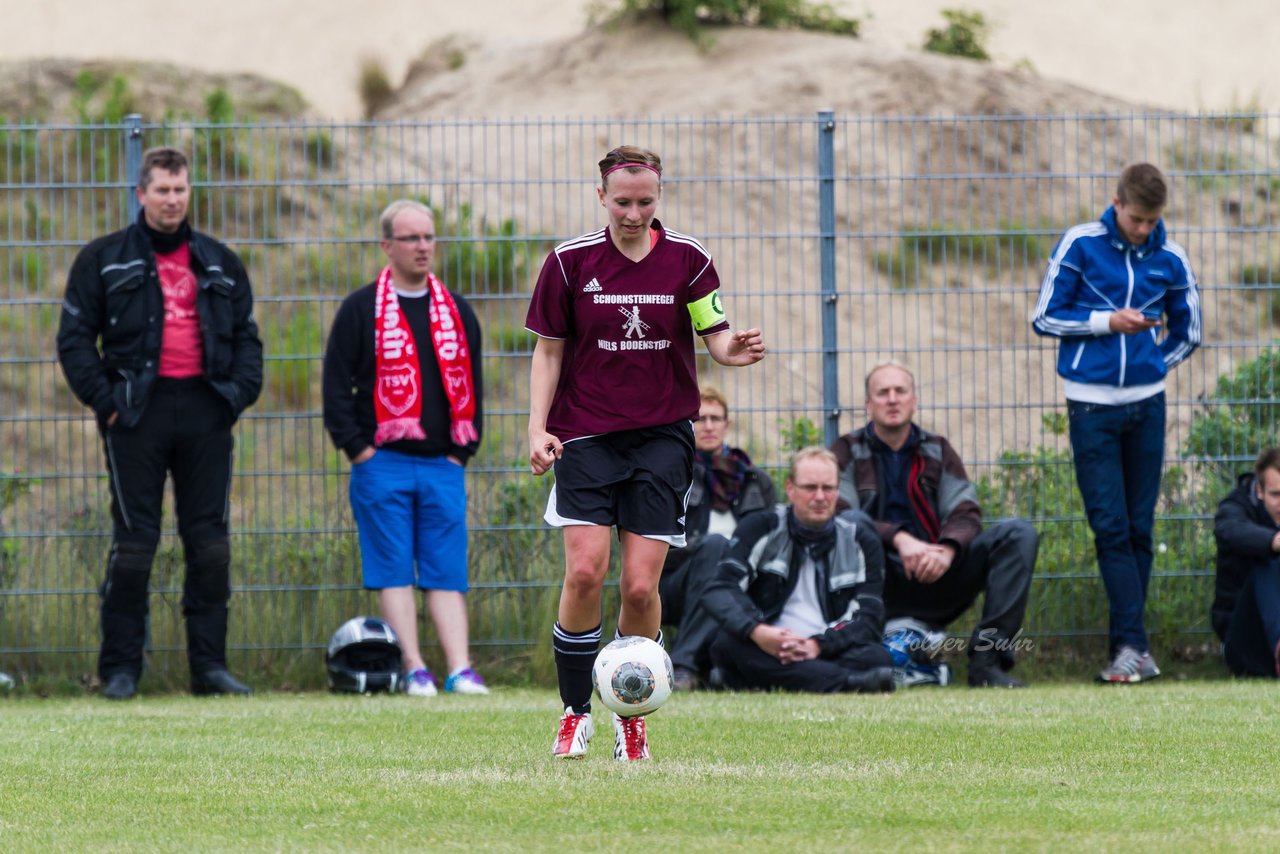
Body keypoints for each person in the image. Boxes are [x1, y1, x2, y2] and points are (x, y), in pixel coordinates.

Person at [526, 145, 766, 761]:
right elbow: (548, 351)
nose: (634, 213)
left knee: (638, 589)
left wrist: (729, 350)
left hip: (662, 438)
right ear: (601, 196)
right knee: (584, 571)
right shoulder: (569, 262)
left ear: (658, 198)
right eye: (623, 201)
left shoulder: (689, 260)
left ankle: (631, 712)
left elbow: (714, 334)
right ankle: (574, 712)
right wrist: (536, 429)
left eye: (645, 201)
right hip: (584, 434)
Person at [56, 147, 262, 700]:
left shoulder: (219, 261)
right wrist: (108, 402)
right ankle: (121, 670)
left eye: (180, 189)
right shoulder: (103, 259)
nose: (172, 199)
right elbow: (74, 340)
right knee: (134, 545)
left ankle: (210, 669)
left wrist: (234, 398)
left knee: (210, 544)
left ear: (188, 192)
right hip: (136, 415)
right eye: (162, 190)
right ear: (141, 193)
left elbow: (248, 339)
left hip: (206, 411)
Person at [1032, 162, 1202, 683]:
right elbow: (1044, 317)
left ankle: (1128, 650)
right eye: (1137, 220)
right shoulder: (1080, 245)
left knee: (1139, 528)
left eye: (1153, 222)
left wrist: (1152, 365)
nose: (1144, 230)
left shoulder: (1170, 258)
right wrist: (1108, 323)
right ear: (1117, 202)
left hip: (1147, 406)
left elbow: (1188, 330)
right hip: (1091, 407)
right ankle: (1133, 647)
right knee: (1109, 527)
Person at [322, 199, 489, 698]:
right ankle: (414, 667)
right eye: (411, 238)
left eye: (429, 237)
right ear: (387, 245)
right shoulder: (359, 309)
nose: (423, 247)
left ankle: (460, 669)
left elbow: (473, 386)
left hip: (443, 463)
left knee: (446, 569)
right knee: (393, 566)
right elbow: (335, 390)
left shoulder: (457, 310)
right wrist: (360, 452)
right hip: (381, 464)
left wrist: (463, 451)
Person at [831, 361, 1038, 688]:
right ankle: (878, 652)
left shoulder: (938, 449)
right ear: (869, 405)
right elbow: (841, 513)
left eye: (901, 391)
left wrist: (947, 549)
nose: (893, 399)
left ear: (915, 400)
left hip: (938, 577)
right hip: (876, 583)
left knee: (1018, 534)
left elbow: (966, 510)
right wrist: (899, 539)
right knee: (852, 523)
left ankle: (986, 664)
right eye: (883, 392)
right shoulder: (847, 450)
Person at [701, 448, 894, 693]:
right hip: (766, 641)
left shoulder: (861, 539)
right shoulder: (760, 527)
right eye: (811, 488)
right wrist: (758, 632)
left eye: (829, 488)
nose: (821, 497)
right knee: (725, 645)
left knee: (877, 658)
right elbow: (720, 590)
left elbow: (869, 615)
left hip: (827, 646)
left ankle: (750, 679)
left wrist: (818, 645)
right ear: (790, 489)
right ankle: (848, 683)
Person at [658, 385, 776, 691]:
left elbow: (769, 541)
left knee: (726, 564)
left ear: (727, 424)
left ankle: (705, 670)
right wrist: (706, 550)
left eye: (715, 418)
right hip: (675, 584)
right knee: (716, 548)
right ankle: (684, 666)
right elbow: (660, 547)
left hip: (740, 581)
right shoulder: (672, 475)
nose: (708, 426)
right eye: (700, 419)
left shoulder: (754, 479)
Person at [1212, 448, 1280, 678]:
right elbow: (1229, 529)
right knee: (1267, 558)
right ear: (1259, 490)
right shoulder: (1236, 506)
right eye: (1276, 494)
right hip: (1244, 640)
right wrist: (1273, 541)